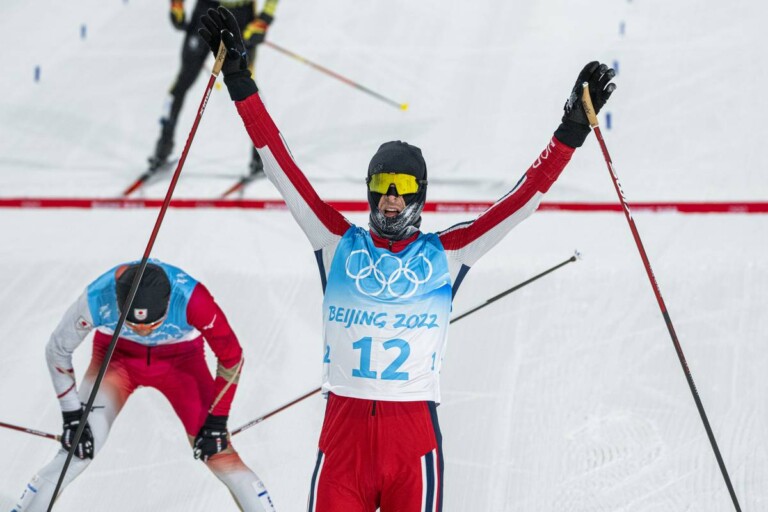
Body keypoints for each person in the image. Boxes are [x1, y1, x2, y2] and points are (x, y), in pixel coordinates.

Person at [200, 8, 616, 510]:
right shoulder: (336, 243)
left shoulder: (448, 253)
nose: (389, 199)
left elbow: (522, 200)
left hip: (412, 442)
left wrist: (570, 130)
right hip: (344, 444)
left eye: (401, 188)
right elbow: (279, 163)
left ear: (419, 194)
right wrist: (241, 81)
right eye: (380, 187)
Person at [12, 261, 276, 512]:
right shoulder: (97, 297)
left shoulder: (192, 298)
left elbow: (231, 355)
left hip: (181, 362)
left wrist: (217, 423)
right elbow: (58, 348)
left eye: (153, 324)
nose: (143, 332)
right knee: (78, 450)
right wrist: (72, 417)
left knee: (218, 453)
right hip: (117, 359)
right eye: (133, 324)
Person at [147, 0, 279, 176]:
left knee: (246, 84)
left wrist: (265, 18)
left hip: (241, 15)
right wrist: (176, 4)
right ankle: (163, 147)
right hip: (206, 10)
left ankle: (262, 156)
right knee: (183, 80)